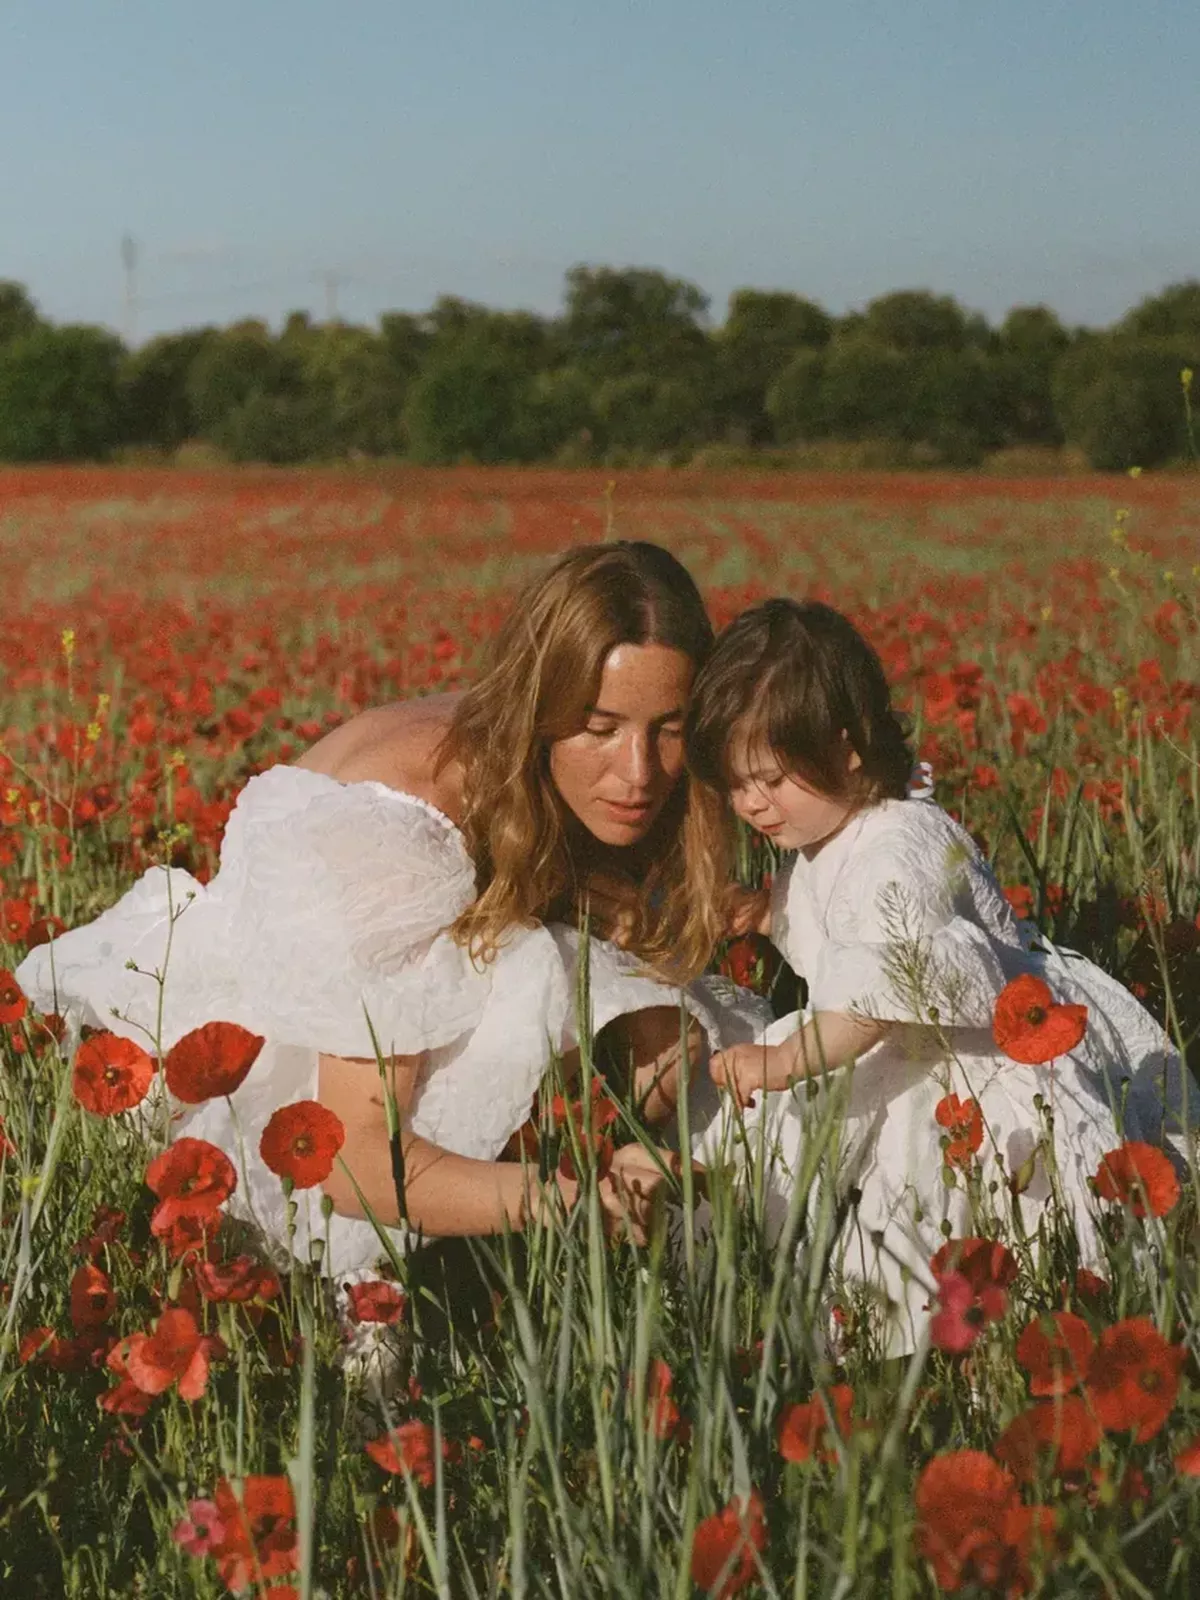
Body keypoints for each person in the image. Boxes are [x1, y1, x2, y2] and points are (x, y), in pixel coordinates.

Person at [17, 543, 767, 1281]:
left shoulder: (525, 758)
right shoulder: (402, 830)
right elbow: (354, 1159)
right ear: (540, 705)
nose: (640, 773)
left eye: (669, 729)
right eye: (600, 728)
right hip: (274, 1084)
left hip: (369, 1040)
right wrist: (577, 1202)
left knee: (677, 1041)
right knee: (563, 984)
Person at [685, 597, 1195, 1353]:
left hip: (970, 1059)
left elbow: (879, 999)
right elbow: (838, 941)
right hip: (892, 1038)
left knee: (949, 1201)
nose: (751, 803)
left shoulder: (901, 844)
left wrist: (783, 1060)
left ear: (847, 748)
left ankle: (964, 1344)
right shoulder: (830, 830)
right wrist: (766, 915)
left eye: (769, 778)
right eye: (735, 783)